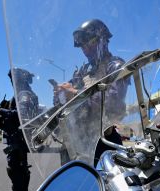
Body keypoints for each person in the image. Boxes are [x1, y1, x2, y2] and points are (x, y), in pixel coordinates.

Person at [53, 19, 129, 166]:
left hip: (104, 143)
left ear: (103, 40)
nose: (85, 50)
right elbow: (64, 103)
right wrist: (60, 93)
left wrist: (75, 93)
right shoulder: (83, 71)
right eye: (82, 46)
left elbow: (112, 102)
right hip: (80, 141)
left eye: (90, 43)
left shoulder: (115, 66)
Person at [0, 68, 38, 191]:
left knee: (17, 171)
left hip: (19, 140)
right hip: (16, 140)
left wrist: (1, 111)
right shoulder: (21, 93)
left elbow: (21, 115)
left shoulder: (24, 94)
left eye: (14, 79)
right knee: (16, 171)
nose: (12, 82)